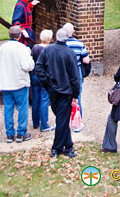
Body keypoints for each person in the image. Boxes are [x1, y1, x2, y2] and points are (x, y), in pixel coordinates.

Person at [35, 28, 80, 158]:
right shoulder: (69, 53)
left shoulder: (48, 50)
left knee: (62, 119)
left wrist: (47, 83)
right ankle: (57, 148)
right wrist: (75, 94)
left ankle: (67, 146)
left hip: (54, 90)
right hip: (63, 91)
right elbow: (74, 77)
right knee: (62, 119)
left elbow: (39, 67)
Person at [0, 25, 35, 143]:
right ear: (20, 35)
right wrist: (30, 57)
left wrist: (2, 77)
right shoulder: (22, 48)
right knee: (22, 108)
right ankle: (21, 133)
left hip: (6, 83)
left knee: (8, 108)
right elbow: (27, 66)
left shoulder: (2, 48)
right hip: (19, 83)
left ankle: (9, 134)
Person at [63, 22, 90, 124]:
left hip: (64, 71)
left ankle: (64, 121)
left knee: (64, 96)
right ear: (73, 32)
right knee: (77, 96)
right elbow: (86, 60)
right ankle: (77, 121)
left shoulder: (62, 45)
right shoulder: (79, 44)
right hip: (76, 69)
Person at [31, 29, 54, 132]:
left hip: (35, 75)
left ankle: (35, 122)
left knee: (35, 99)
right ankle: (44, 125)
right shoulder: (50, 49)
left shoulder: (35, 47)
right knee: (44, 100)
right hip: (45, 77)